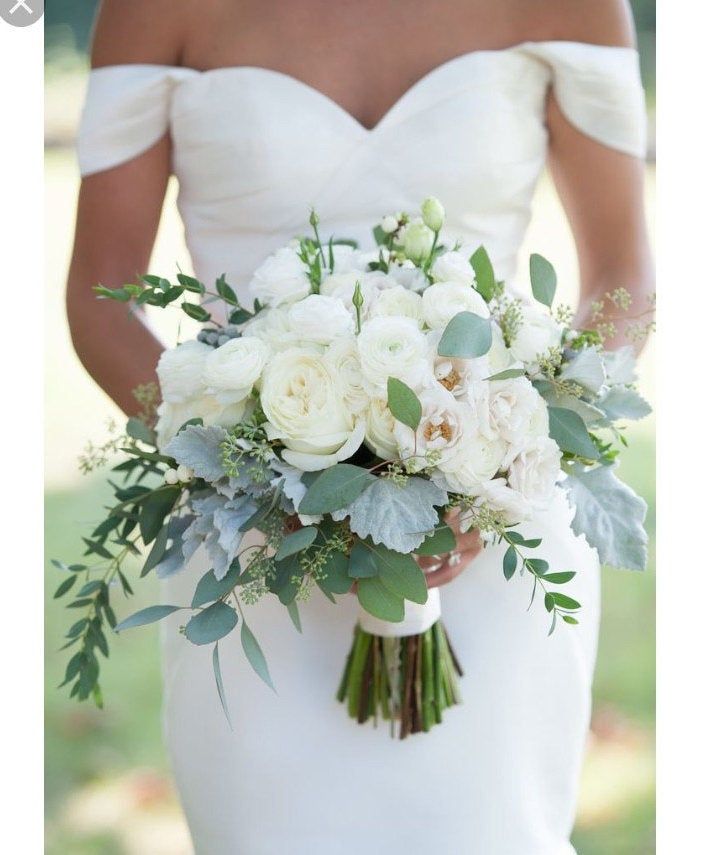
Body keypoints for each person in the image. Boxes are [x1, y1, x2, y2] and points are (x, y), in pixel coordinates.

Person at [66, 1, 653, 852]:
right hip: (253, 555)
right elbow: (101, 296)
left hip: (495, 535)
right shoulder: (157, 9)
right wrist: (254, 470)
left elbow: (622, 275)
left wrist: (516, 449)